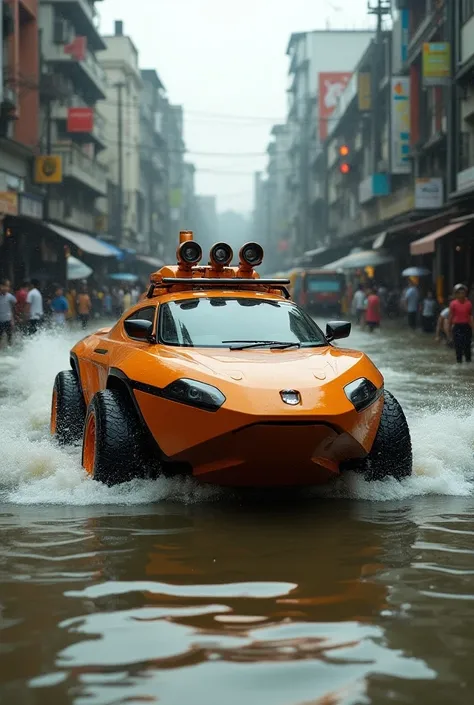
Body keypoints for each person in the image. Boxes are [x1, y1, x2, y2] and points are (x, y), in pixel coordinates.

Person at [448, 284, 473, 363]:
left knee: (467, 347)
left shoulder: (469, 303)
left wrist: (473, 327)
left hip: (466, 327)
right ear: (456, 294)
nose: (461, 294)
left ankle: (468, 364)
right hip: (457, 327)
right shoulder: (453, 304)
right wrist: (449, 329)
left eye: (463, 292)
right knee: (458, 348)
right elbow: (451, 316)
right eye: (459, 292)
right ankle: (459, 363)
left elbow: (470, 316)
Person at [0, 279, 16, 346]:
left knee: (9, 338)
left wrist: (12, 320)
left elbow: (13, 308)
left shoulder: (10, 297)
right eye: (6, 286)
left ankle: (10, 352)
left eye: (8, 286)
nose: (7, 288)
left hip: (8, 320)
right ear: (1, 286)